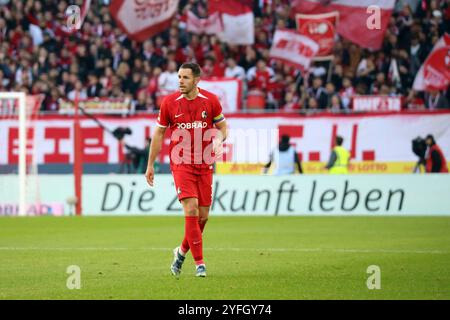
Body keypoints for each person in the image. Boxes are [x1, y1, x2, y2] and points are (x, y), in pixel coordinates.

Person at [145, 62, 227, 278]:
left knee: (203, 216)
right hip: (181, 163)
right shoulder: (170, 103)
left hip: (205, 163)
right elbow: (159, 134)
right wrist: (150, 164)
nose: (180, 81)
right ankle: (200, 263)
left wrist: (219, 139)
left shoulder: (210, 101)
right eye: (179, 77)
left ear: (197, 80)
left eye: (185, 78)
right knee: (190, 209)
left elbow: (223, 127)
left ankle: (181, 252)